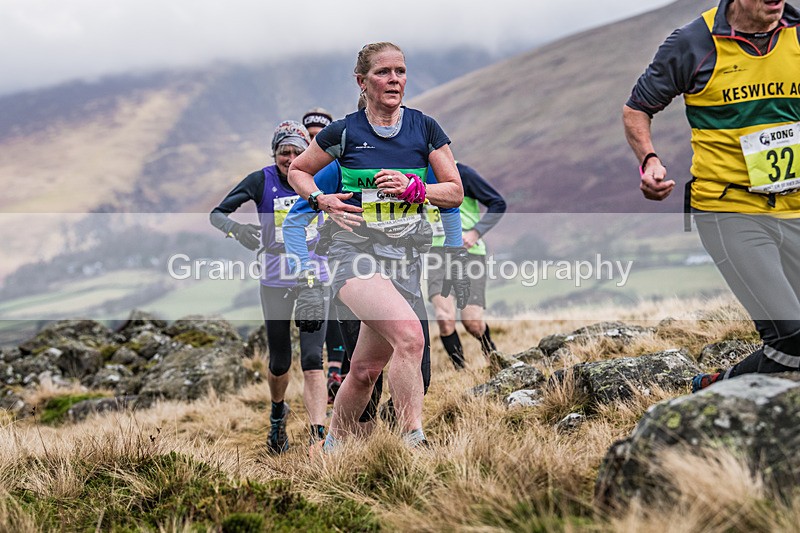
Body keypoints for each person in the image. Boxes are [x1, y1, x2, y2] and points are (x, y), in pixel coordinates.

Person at [286, 42, 464, 451]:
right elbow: (298, 170)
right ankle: (412, 441)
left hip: (404, 257)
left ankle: (331, 448)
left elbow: (454, 193)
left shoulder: (425, 128)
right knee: (410, 337)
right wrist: (321, 200)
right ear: (362, 81)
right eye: (384, 72)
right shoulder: (344, 132)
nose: (395, 79)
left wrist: (416, 189)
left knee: (365, 370)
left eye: (400, 71)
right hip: (353, 253)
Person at [623, 0, 800, 392]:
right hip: (729, 210)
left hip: (795, 207)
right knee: (791, 337)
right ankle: (712, 396)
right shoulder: (692, 43)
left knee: (795, 351)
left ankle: (717, 390)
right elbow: (636, 110)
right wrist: (649, 161)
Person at [209, 120, 330, 453]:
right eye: (283, 152)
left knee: (311, 359)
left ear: (307, 151)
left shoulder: (319, 176)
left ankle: (318, 436)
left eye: (297, 151)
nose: (290, 158)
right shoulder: (261, 180)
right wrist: (237, 230)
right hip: (274, 279)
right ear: (274, 153)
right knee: (279, 361)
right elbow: (217, 214)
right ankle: (278, 415)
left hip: (313, 277)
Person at [427, 162, 506, 368]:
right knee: (444, 318)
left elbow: (498, 203)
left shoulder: (462, 173)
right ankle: (461, 371)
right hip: (437, 254)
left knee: (472, 323)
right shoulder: (414, 175)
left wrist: (475, 232)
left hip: (469, 253)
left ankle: (491, 353)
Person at [301, 106, 347, 403]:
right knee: (322, 314)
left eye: (320, 136)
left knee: (341, 311)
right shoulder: (301, 169)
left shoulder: (339, 164)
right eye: (310, 136)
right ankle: (329, 375)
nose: (314, 140)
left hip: (339, 252)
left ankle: (338, 373)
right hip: (311, 258)